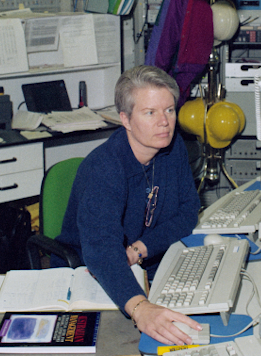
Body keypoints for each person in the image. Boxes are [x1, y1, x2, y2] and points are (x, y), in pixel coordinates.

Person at [55, 65, 203, 344]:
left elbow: (187, 213)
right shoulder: (105, 167)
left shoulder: (173, 148)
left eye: (169, 110)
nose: (164, 122)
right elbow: (100, 249)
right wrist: (139, 308)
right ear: (125, 119)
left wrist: (139, 249)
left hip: (145, 263)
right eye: (150, 112)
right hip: (88, 272)